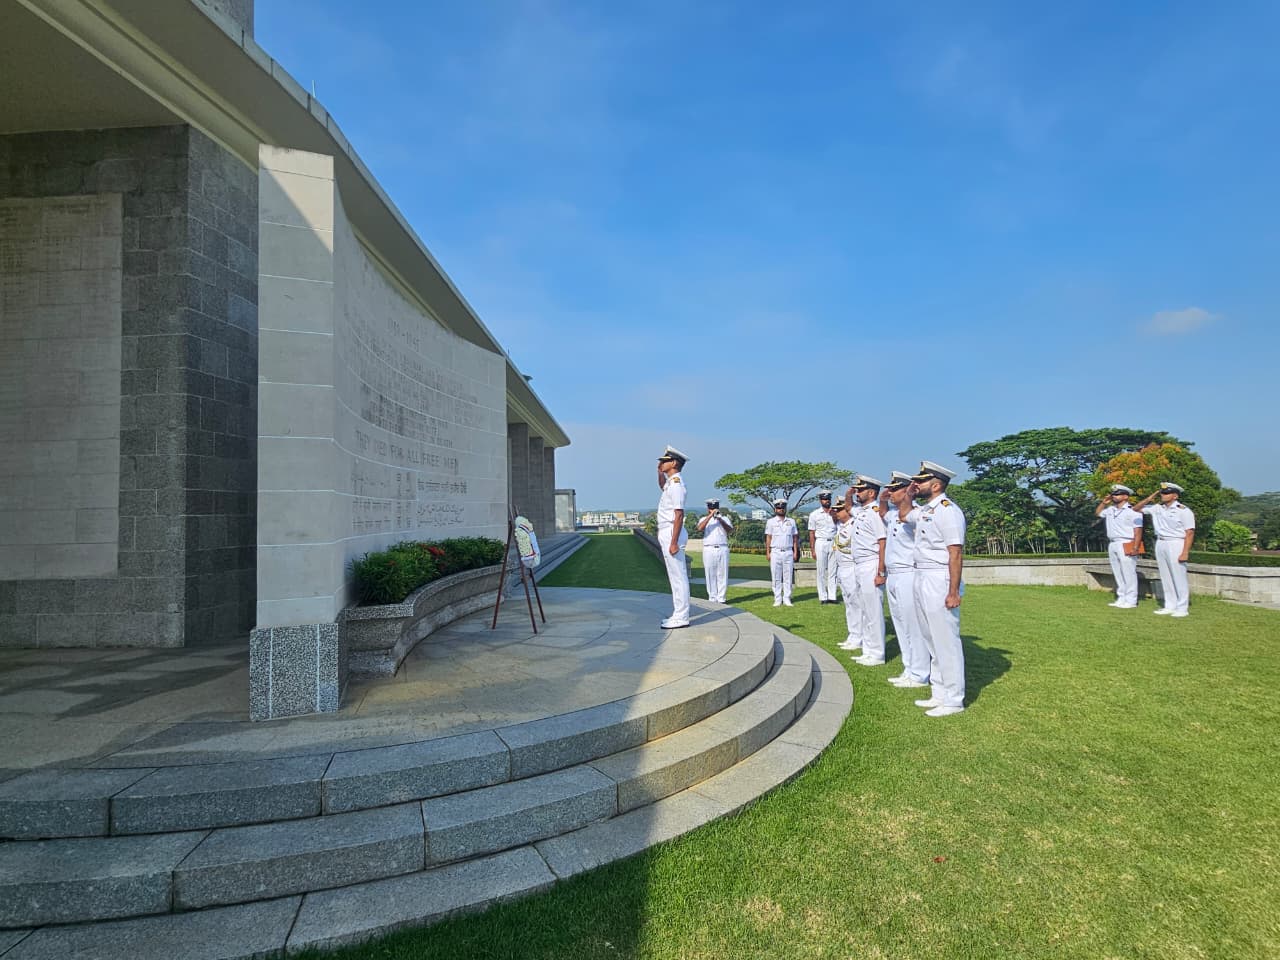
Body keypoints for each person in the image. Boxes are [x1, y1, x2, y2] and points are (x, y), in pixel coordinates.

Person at [901, 461, 966, 717]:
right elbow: (905, 515)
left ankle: (954, 699)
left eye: (923, 481)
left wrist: (953, 592)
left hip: (939, 577)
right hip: (921, 574)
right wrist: (908, 493)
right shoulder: (927, 510)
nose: (917, 484)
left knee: (946, 640)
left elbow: (956, 553)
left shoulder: (948, 511)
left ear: (936, 485)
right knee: (931, 638)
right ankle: (939, 692)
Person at [880, 471, 930, 688]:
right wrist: (882, 499)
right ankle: (909, 668)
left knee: (913, 626)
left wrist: (909, 496)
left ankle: (920, 673)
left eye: (894, 489)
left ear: (906, 490)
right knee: (900, 624)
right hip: (893, 575)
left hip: (909, 573)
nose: (890, 492)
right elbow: (882, 513)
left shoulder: (916, 514)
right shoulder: (892, 514)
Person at [1133, 481, 1195, 617]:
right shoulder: (1157, 508)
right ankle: (1170, 605)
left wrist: (1185, 552)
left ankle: (1182, 607)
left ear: (1175, 496)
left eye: (1166, 493)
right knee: (1165, 576)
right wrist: (1149, 499)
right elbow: (1135, 509)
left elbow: (1189, 532)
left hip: (1176, 542)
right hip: (1161, 542)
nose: (1163, 495)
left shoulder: (1183, 510)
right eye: (1162, 492)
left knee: (1178, 576)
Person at [843, 475, 887, 666]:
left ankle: (877, 653)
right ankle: (868, 650)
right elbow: (847, 508)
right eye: (857, 490)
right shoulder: (862, 512)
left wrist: (881, 572)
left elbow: (882, 542)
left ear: (871, 492)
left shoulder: (875, 512)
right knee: (865, 610)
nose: (857, 493)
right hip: (859, 564)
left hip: (871, 563)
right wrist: (848, 494)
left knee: (874, 611)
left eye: (860, 490)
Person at [655, 445, 691, 628]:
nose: (661, 463)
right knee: (674, 576)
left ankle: (682, 616)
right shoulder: (670, 483)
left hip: (672, 531)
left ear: (674, 462)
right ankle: (678, 613)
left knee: (679, 576)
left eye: (665, 460)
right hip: (667, 531)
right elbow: (662, 486)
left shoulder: (677, 485)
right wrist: (659, 472)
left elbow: (679, 515)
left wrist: (674, 542)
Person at [1095, 484, 1144, 608]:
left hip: (1127, 542)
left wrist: (1135, 547)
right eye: (1114, 494)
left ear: (1125, 496)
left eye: (1117, 494)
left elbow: (1138, 531)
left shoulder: (1133, 511)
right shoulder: (1111, 510)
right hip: (1113, 542)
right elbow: (1098, 513)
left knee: (1128, 572)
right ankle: (1121, 597)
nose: (1114, 496)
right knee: (1118, 572)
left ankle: (1131, 600)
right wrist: (1103, 502)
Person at [831, 497, 862, 651]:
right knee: (849, 604)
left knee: (856, 603)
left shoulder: (854, 525)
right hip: (842, 568)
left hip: (851, 567)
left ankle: (859, 636)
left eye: (839, 509)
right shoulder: (840, 525)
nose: (836, 512)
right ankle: (853, 634)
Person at [764, 497, 799, 607]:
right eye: (778, 508)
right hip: (775, 551)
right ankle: (777, 598)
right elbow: (768, 538)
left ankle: (787, 598)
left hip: (788, 551)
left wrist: (795, 552)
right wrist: (768, 552)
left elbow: (795, 538)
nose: (781, 509)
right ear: (775, 509)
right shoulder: (771, 522)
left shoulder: (791, 522)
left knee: (788, 576)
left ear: (785, 508)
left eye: (782, 507)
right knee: (776, 576)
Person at [698, 498, 734, 604]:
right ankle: (712, 597)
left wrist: (720, 519)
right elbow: (700, 528)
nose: (713, 510)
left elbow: (730, 530)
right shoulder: (704, 519)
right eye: (711, 508)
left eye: (715, 508)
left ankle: (721, 598)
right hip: (709, 548)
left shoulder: (725, 518)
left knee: (722, 573)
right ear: (708, 508)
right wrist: (710, 517)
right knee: (710, 573)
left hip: (722, 548)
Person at [808, 491, 838, 603]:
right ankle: (823, 596)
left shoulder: (835, 512)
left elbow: (839, 525)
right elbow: (811, 533)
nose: (827, 501)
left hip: (833, 541)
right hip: (820, 542)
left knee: (833, 571)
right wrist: (812, 549)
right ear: (820, 500)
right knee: (821, 571)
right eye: (825, 499)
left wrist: (834, 515)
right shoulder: (814, 514)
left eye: (828, 498)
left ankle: (832, 596)